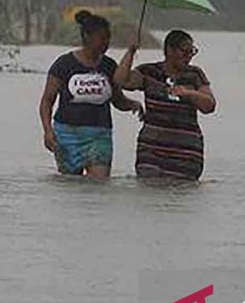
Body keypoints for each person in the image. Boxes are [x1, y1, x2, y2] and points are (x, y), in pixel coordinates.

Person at [38, 11, 143, 178]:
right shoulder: (64, 64)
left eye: (108, 38)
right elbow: (47, 101)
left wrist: (132, 104)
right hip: (67, 134)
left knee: (99, 186)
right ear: (87, 37)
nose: (106, 42)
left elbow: (117, 99)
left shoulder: (108, 66)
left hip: (100, 135)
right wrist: (48, 131)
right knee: (70, 186)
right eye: (101, 38)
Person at [122, 29, 216, 181]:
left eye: (192, 52)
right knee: (149, 189)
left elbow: (209, 106)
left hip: (186, 153)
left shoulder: (195, 74)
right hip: (152, 149)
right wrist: (131, 51)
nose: (189, 57)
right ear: (169, 50)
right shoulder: (149, 72)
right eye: (184, 52)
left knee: (179, 197)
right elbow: (122, 81)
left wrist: (189, 94)